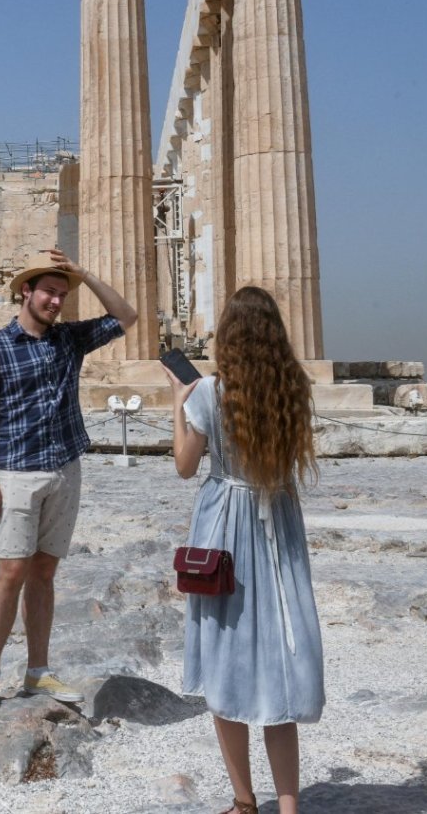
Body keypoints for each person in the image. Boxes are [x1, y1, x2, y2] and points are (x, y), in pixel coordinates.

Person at [171, 286, 324, 814]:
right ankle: (289, 807)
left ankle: (243, 801)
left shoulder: (209, 394)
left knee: (225, 662)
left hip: (225, 530)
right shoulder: (294, 390)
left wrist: (179, 403)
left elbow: (185, 466)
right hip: (278, 524)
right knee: (279, 658)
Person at [0, 249, 137, 709]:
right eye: (49, 292)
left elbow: (126, 315)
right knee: (11, 570)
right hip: (19, 469)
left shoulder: (70, 341)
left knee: (45, 571)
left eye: (62, 295)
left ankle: (38, 671)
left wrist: (85, 273)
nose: (56, 302)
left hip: (65, 467)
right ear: (27, 292)